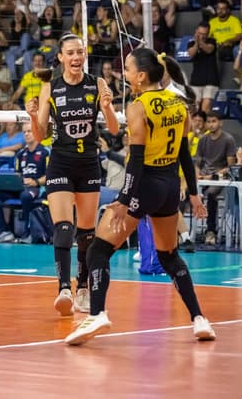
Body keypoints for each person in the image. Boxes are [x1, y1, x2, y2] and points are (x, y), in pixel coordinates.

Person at [65, 49, 216, 345]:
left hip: (144, 185)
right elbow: (185, 155)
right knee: (169, 257)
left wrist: (123, 199)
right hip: (171, 188)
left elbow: (135, 159)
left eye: (129, 70)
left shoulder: (139, 106)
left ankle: (97, 314)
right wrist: (195, 195)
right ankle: (200, 319)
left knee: (99, 250)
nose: (126, 74)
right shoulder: (180, 104)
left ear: (142, 76)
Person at [27, 33, 120, 316]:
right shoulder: (50, 87)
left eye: (80, 52)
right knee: (64, 227)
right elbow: (40, 135)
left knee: (87, 233)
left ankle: (83, 289)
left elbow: (115, 129)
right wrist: (32, 115)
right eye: (70, 53)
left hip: (89, 163)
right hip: (61, 163)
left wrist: (107, 109)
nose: (76, 57)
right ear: (61, 57)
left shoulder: (97, 83)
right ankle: (63, 288)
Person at [0, 122, 49, 243]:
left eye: (29, 131)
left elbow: (50, 176)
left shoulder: (45, 152)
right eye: (24, 132)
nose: (26, 134)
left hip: (38, 187)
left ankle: (27, 233)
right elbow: (18, 173)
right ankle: (5, 231)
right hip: (21, 187)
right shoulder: (21, 154)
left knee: (25, 196)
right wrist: (16, 181)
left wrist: (35, 182)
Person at [194, 106, 237, 246]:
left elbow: (230, 166)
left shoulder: (228, 140)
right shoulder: (203, 140)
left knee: (211, 194)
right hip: (203, 177)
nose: (211, 124)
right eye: (209, 122)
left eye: (214, 121)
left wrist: (211, 176)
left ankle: (210, 231)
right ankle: (181, 233)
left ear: (220, 123)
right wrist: (197, 175)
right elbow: (198, 163)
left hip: (219, 178)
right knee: (183, 192)